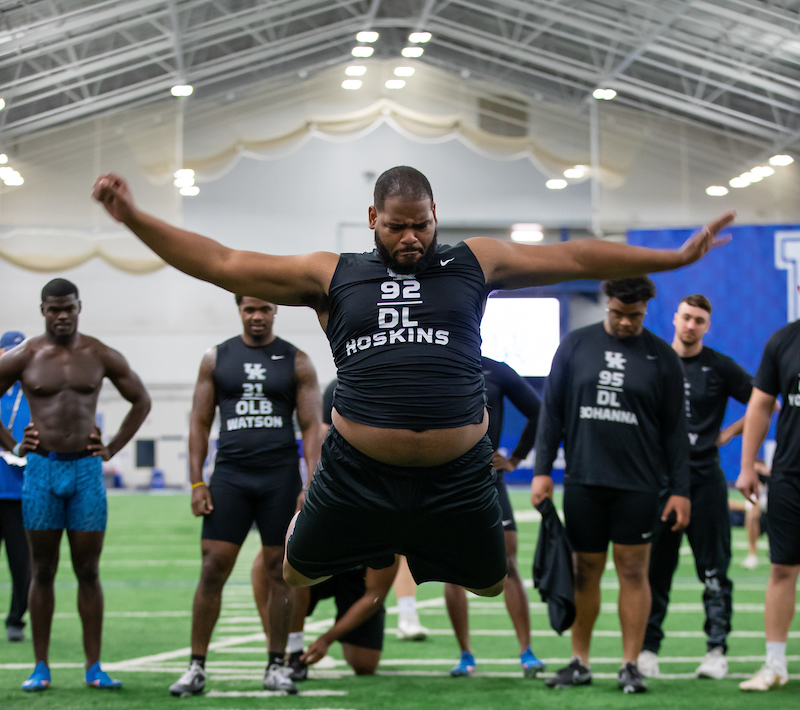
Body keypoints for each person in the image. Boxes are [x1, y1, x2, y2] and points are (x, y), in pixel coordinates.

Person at [92, 167, 731, 601]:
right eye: (396, 225)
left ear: (434, 216)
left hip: (457, 475)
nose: (410, 238)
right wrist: (133, 218)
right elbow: (223, 262)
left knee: (490, 583)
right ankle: (344, 530)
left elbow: (576, 256)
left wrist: (674, 257)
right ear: (372, 217)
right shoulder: (331, 273)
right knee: (296, 572)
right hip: (358, 472)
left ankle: (411, 541)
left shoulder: (474, 261)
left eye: (421, 224)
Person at [532, 277, 690, 694]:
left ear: (646, 310)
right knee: (584, 570)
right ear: (607, 303)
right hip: (583, 480)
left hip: (639, 484)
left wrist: (681, 489)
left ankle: (630, 665)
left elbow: (675, 431)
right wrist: (542, 471)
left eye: (634, 316)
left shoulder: (663, 358)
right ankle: (580, 662)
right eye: (618, 313)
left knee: (634, 571)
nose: (624, 322)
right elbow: (552, 413)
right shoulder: (575, 345)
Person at [0, 279, 151, 692]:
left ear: (79, 307)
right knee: (42, 569)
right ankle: (40, 666)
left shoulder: (98, 354)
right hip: (41, 472)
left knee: (88, 570)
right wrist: (13, 445)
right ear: (43, 311)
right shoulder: (26, 354)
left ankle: (94, 666)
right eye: (54, 309)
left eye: (68, 308)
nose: (62, 315)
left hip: (86, 472)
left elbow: (141, 400)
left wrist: (112, 448)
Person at [169, 295, 322, 697]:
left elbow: (311, 427)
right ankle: (196, 667)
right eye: (250, 309)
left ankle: (276, 666)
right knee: (212, 567)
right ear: (239, 310)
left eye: (264, 308)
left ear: (276, 311)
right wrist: (196, 482)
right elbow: (200, 422)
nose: (257, 316)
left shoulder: (298, 360)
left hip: (279, 479)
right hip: (231, 477)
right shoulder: (216, 358)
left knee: (279, 571)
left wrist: (310, 484)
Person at [637, 294, 753, 681]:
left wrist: (729, 433)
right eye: (686, 317)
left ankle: (716, 650)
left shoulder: (719, 366)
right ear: (675, 318)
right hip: (659, 481)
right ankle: (647, 649)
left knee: (714, 569)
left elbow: (764, 402)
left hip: (705, 479)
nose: (691, 325)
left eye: (699, 320)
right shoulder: (654, 361)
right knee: (655, 570)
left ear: (707, 326)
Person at [447, 355, 544, 677]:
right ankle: (465, 655)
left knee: (508, 562)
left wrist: (516, 458)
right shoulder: (436, 363)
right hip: (445, 481)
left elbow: (539, 411)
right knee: (450, 569)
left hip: (488, 480)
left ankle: (527, 651)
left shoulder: (496, 370)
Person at [321, 376, 427, 643]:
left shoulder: (398, 385)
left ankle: (407, 614)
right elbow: (324, 435)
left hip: (391, 479)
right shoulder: (337, 387)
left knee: (401, 547)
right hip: (349, 485)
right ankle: (292, 642)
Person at [737, 311, 800, 691]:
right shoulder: (782, 341)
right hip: (790, 475)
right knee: (781, 569)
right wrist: (747, 466)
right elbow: (760, 405)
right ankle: (775, 665)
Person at [296, 560, 399, 675]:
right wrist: (295, 643)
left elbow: (374, 597)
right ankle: (292, 652)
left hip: (358, 577)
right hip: (315, 570)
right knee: (291, 584)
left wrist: (326, 640)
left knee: (364, 663)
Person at [0, 331, 30, 642]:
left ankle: (15, 620)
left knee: (22, 564)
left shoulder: (34, 392)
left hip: (21, 493)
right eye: (9, 352)